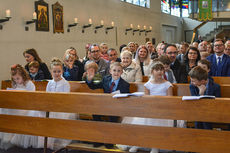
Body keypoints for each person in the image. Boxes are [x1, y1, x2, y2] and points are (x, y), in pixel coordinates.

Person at [121, 62, 173, 153]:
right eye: (157, 70)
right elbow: (146, 99)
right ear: (152, 72)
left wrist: (161, 105)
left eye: (161, 69)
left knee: (156, 124)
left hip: (163, 109)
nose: (160, 72)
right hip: (150, 108)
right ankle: (137, 143)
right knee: (140, 122)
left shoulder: (167, 84)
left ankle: (155, 145)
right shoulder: (148, 84)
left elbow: (170, 99)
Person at [86, 62, 130, 149]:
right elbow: (93, 86)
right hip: (105, 104)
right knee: (95, 113)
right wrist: (90, 79)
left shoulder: (125, 84)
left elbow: (126, 99)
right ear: (110, 71)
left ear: (122, 72)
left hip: (117, 106)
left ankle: (110, 140)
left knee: (112, 117)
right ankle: (99, 138)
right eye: (114, 70)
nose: (116, 73)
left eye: (118, 71)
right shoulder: (105, 79)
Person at [0, 64, 37, 149]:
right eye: (14, 79)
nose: (16, 81)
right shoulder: (15, 84)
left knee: (12, 111)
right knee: (4, 109)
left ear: (23, 76)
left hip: (27, 107)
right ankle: (8, 135)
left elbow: (32, 99)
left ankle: (13, 137)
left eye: (18, 78)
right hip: (17, 106)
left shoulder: (29, 84)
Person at [46, 58, 76, 150]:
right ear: (51, 72)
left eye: (59, 71)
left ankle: (60, 141)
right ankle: (50, 140)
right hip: (51, 106)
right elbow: (46, 96)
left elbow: (65, 98)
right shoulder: (49, 83)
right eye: (54, 71)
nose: (57, 73)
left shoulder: (65, 83)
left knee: (59, 117)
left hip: (62, 107)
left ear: (62, 71)